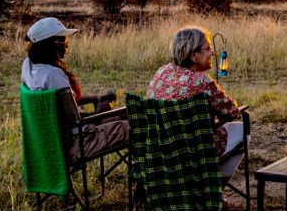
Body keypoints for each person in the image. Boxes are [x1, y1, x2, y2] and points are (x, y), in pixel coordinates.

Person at [20, 17, 128, 161]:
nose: (67, 46)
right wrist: (102, 109)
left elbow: (59, 104)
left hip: (53, 140)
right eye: (64, 41)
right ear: (52, 44)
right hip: (78, 143)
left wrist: (94, 98)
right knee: (137, 123)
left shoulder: (29, 66)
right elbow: (76, 120)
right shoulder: (54, 75)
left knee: (123, 115)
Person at [147, 26, 245, 178]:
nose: (212, 52)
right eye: (208, 49)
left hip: (158, 150)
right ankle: (215, 188)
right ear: (193, 55)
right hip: (192, 153)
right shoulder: (202, 81)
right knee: (243, 130)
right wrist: (212, 125)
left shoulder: (162, 72)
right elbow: (232, 111)